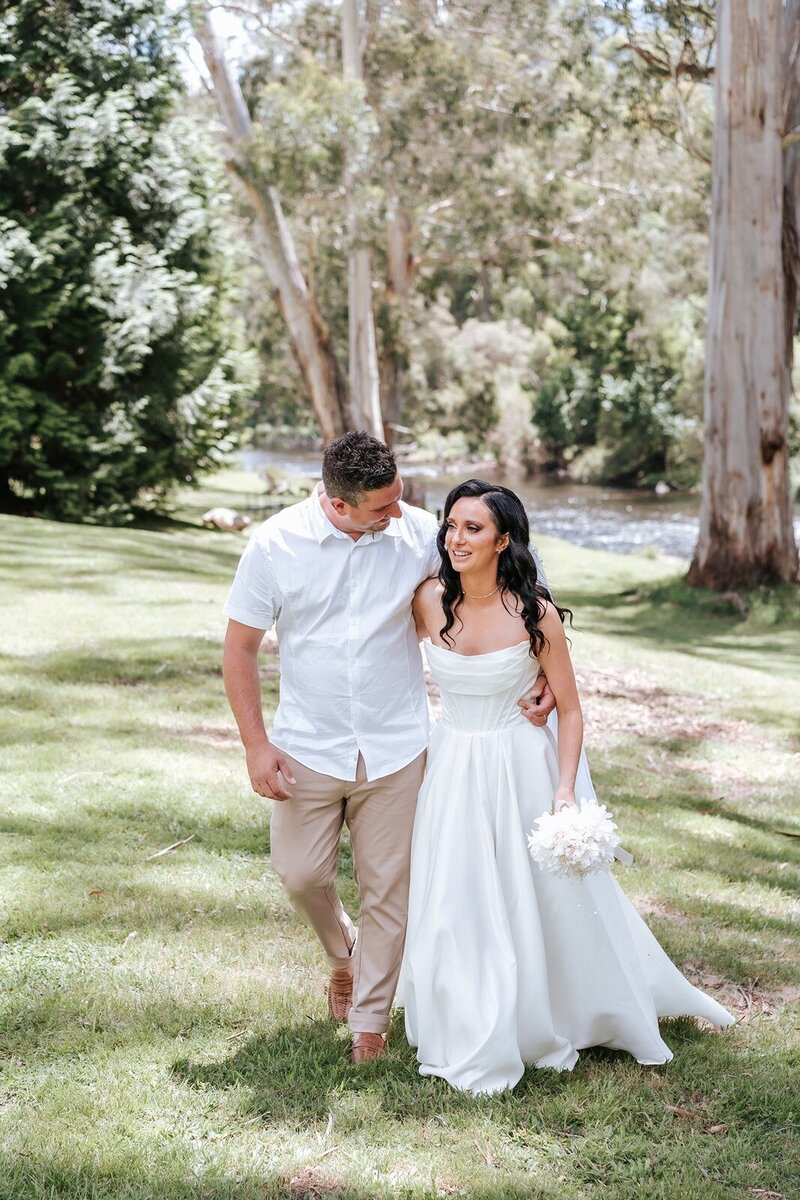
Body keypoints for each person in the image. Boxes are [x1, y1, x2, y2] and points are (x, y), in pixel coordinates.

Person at [221, 433, 552, 1063]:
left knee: (389, 890)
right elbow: (238, 649)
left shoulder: (420, 533)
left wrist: (536, 670)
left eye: (398, 500)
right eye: (381, 507)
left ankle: (370, 1023)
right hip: (307, 748)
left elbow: (497, 578)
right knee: (300, 872)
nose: (395, 514)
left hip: (398, 747)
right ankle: (342, 954)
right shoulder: (273, 545)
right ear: (338, 504)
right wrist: (256, 746)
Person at [403, 479, 735, 1095]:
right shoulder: (426, 600)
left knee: (540, 901)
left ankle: (560, 1005)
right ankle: (463, 1005)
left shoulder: (535, 613)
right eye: (450, 526)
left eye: (473, 528)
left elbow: (573, 710)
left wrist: (563, 793)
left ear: (504, 540)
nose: (456, 539)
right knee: (458, 892)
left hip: (521, 766)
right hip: (451, 766)